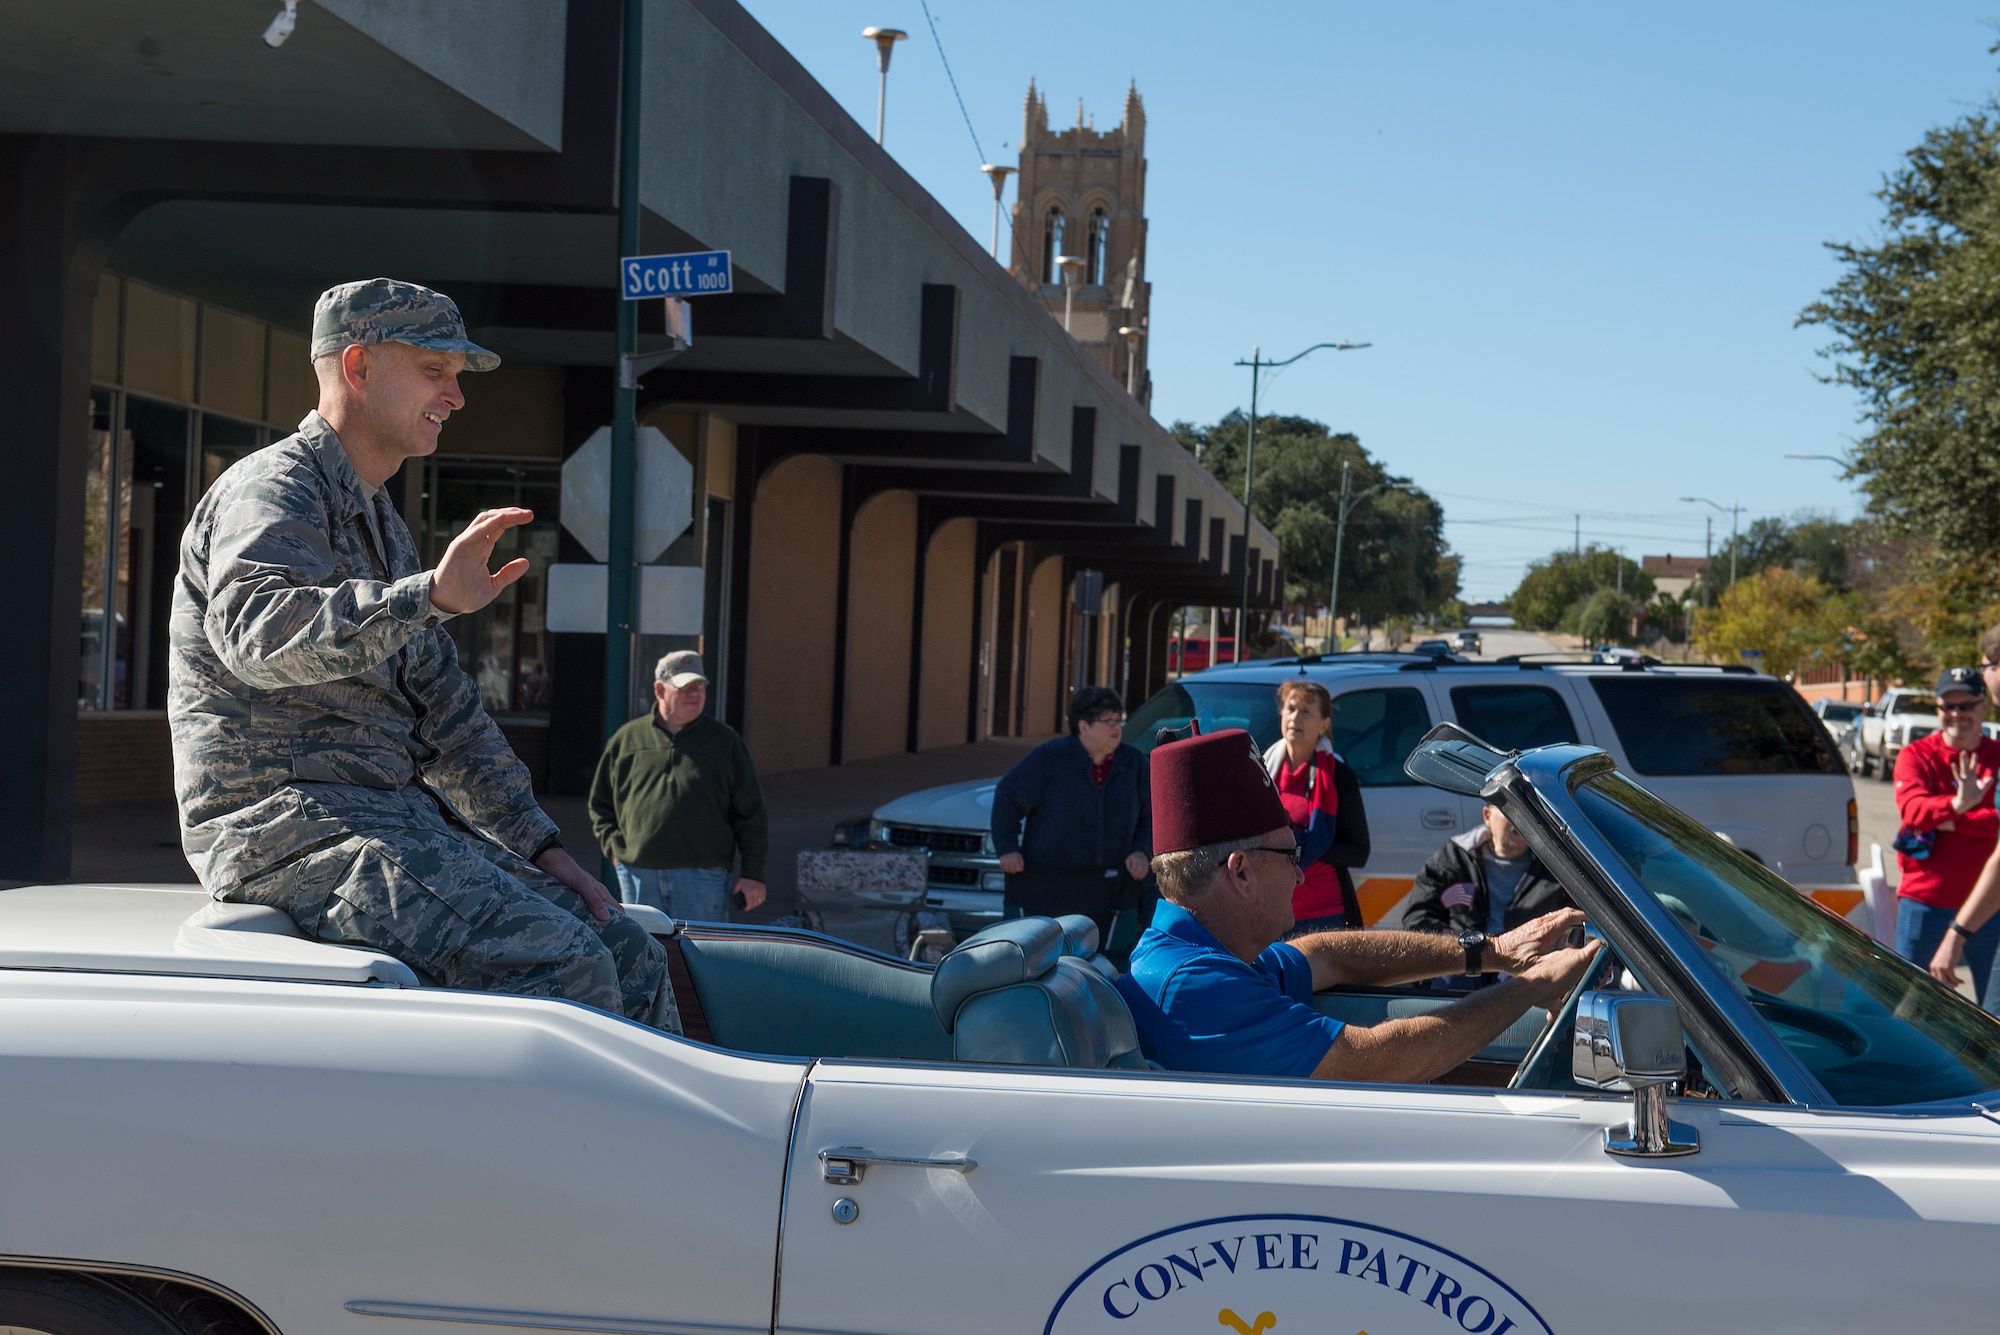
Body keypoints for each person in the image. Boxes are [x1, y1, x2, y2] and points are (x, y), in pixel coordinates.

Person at [168, 278, 676, 1031]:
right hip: (282, 826)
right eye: (436, 370)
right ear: (359, 367)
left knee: (625, 947)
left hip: (385, 817)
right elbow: (257, 637)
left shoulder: (381, 520)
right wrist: (424, 596)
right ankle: (541, 1154)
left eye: (457, 377)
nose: (456, 395)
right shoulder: (273, 489)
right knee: (560, 963)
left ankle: (655, 1151)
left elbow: (446, 713)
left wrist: (537, 843)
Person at [1115, 728, 1600, 1081]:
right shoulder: (1194, 983)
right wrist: (1531, 985)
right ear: (1239, 871)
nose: (1301, 874)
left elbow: (1327, 954)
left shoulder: (1209, 955)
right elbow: (1373, 1062)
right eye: (1290, 855)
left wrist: (1490, 951)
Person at [589, 650, 770, 922]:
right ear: (659, 689)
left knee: (700, 958)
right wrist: (615, 851)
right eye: (685, 686)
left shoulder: (725, 742)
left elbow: (751, 813)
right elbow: (600, 804)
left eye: (699, 686)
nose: (694, 694)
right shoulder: (627, 740)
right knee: (641, 956)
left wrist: (753, 874)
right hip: (638, 875)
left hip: (704, 877)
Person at [991, 686, 1152, 950]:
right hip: (1049, 885)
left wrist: (1141, 851)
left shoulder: (1134, 763)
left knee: (1106, 964)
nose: (1117, 727)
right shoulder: (1049, 758)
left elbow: (1150, 815)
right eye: (1108, 721)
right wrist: (1007, 848)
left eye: (1118, 720)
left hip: (1110, 888)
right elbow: (1008, 796)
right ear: (1083, 726)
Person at [1916, 659, 2000, 1005]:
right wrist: (1961, 805)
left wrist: (1949, 815)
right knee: (1908, 1009)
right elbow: (1915, 815)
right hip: (1926, 902)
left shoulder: (1997, 755)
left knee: (1988, 1023)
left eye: (1965, 705)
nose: (1956, 714)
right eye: (1947, 706)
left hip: (1989, 908)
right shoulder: (1916, 755)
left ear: (1983, 707)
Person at [1402, 803, 1575, 970]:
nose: (1522, 819)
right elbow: (1417, 919)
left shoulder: (1554, 867)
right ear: (1487, 816)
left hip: (1526, 963)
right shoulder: (1454, 859)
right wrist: (1458, 943)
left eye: (1528, 810)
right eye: (1511, 809)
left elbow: (1579, 920)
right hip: (1463, 962)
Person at [1259, 679, 1369, 934]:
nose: (1295, 717)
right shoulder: (1260, 773)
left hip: (1324, 916)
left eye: (1306, 711)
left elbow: (1358, 852)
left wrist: (1296, 845)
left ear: (1324, 725)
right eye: (1291, 709)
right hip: (1269, 911)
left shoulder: (1339, 778)